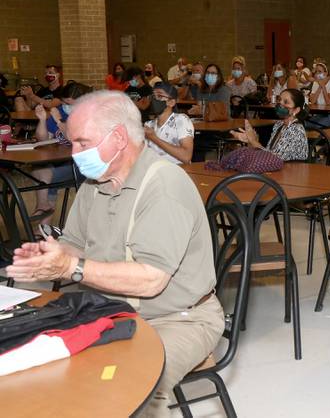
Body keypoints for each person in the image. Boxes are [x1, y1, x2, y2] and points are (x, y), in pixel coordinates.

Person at [5, 90, 224, 417]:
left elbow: (151, 280)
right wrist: (48, 258)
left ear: (119, 138)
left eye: (81, 142)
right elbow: (75, 245)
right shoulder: (97, 183)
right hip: (111, 309)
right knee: (36, 371)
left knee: (129, 394)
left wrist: (72, 268)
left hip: (179, 319)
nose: (74, 152)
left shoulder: (163, 187)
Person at [30, 82, 92, 224]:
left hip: (86, 165)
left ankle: (43, 220)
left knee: (48, 179)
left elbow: (73, 137)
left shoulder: (89, 115)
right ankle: (43, 214)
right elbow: (43, 138)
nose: (67, 107)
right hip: (64, 161)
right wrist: (42, 121)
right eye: (65, 103)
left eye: (72, 104)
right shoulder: (60, 110)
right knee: (41, 169)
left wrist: (58, 121)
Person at [231, 88, 309, 161]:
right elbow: (268, 153)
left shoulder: (296, 130)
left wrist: (253, 141)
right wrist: (251, 140)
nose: (280, 103)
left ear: (296, 110)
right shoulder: (279, 125)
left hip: (292, 173)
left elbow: (274, 159)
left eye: (286, 102)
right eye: (279, 100)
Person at [144, 82, 194, 165]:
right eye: (153, 96)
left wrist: (154, 138)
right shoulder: (148, 125)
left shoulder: (181, 120)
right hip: (155, 172)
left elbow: (186, 156)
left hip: (177, 171)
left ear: (171, 102)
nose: (154, 100)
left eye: (159, 96)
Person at [308, 63, 330, 127]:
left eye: (320, 71)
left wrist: (323, 86)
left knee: (316, 126)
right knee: (306, 124)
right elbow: (313, 101)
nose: (317, 73)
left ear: (326, 73)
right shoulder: (315, 83)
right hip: (323, 114)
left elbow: (328, 102)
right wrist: (319, 87)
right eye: (316, 71)